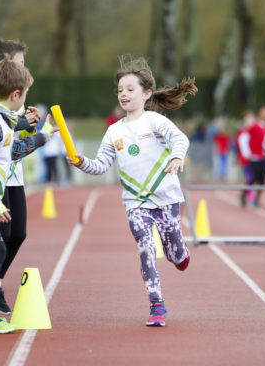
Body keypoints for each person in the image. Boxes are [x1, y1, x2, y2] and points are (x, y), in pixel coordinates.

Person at [67, 56, 196, 327]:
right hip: (136, 203)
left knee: (174, 254)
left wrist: (176, 157)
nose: (123, 94)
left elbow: (179, 138)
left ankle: (179, 253)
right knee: (145, 248)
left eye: (130, 89)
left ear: (146, 94)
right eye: (120, 90)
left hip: (167, 198)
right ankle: (157, 304)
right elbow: (100, 165)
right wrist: (81, 162)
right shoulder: (114, 131)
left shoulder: (154, 122)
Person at [0, 57, 54, 333]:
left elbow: (11, 154)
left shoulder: (3, 121)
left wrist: (42, 137)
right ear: (15, 94)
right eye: (26, 94)